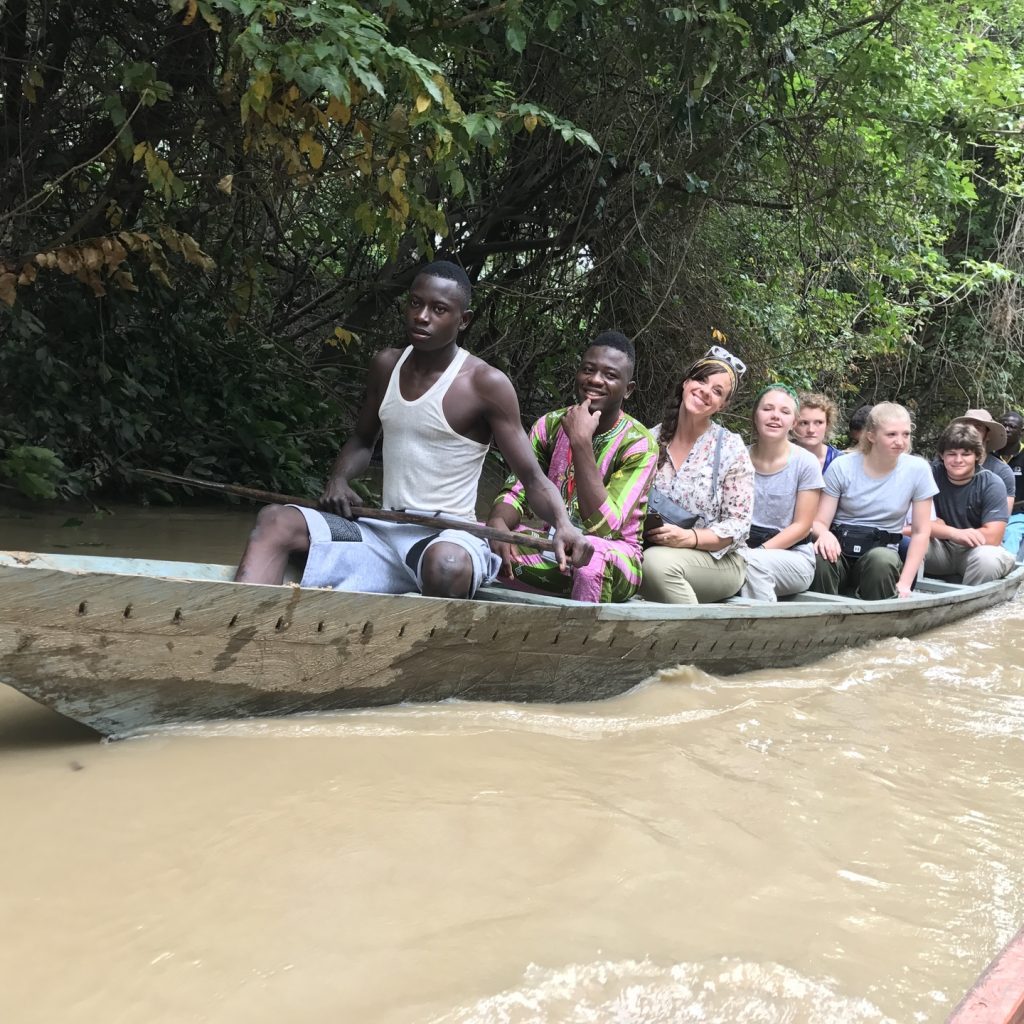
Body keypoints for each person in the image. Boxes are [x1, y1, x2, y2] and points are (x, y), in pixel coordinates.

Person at [234, 261, 590, 595]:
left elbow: (531, 477)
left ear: (463, 320)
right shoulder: (386, 365)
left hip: (448, 537)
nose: (422, 317)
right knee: (275, 521)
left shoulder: (485, 384)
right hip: (379, 529)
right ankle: (240, 628)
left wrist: (563, 525)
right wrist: (339, 479)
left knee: (446, 566)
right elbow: (362, 440)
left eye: (439, 309)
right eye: (415, 304)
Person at [487, 332, 657, 602]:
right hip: (554, 546)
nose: (595, 380)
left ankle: (579, 640)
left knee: (591, 561)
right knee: (480, 541)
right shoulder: (550, 425)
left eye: (610, 375)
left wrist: (580, 442)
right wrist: (497, 525)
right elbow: (517, 490)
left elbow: (604, 527)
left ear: (629, 389)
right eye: (588, 370)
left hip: (615, 559)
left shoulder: (639, 444)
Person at [638, 346, 754, 604]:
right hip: (655, 547)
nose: (705, 391)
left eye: (717, 391)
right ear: (686, 381)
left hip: (718, 558)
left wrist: (690, 538)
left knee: (655, 565)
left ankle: (693, 639)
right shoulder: (648, 439)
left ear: (723, 405)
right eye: (701, 380)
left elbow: (738, 524)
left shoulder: (730, 448)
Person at [810, 402, 937, 600]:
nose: (900, 442)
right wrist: (824, 535)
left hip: (881, 555)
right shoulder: (842, 466)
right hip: (840, 551)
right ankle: (820, 618)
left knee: (882, 560)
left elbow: (921, 532)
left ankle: (877, 624)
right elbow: (819, 522)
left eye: (905, 434)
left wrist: (904, 583)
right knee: (819, 556)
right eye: (891, 434)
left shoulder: (918, 470)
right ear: (871, 436)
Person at [738, 384, 824, 602]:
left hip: (793, 557)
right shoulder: (738, 457)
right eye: (768, 409)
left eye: (785, 412)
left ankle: (762, 632)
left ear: (793, 423)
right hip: (741, 549)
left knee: (753, 564)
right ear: (755, 415)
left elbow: (802, 526)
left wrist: (759, 551)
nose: (775, 416)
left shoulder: (806, 463)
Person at [924, 423, 1015, 585]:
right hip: (940, 548)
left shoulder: (992, 483)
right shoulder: (930, 475)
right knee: (906, 543)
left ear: (977, 456)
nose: (958, 460)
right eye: (951, 454)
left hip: (976, 551)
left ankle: (966, 603)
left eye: (965, 454)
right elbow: (915, 525)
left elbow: (993, 536)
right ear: (941, 455)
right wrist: (950, 532)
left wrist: (942, 529)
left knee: (988, 560)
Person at [949, 409, 1014, 515]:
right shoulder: (945, 465)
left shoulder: (1002, 472)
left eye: (977, 427)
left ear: (988, 435)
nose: (971, 431)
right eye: (967, 426)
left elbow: (1001, 519)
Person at [995, 409, 1024, 558]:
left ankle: (1007, 569)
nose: (1006, 429)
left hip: (1018, 514)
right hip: (989, 511)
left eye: (1012, 426)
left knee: (1012, 533)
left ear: (1021, 431)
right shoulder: (988, 454)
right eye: (1003, 425)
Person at [793, 392, 843, 472]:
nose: (811, 430)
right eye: (804, 423)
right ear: (793, 425)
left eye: (818, 422)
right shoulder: (779, 458)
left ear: (827, 424)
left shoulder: (840, 462)